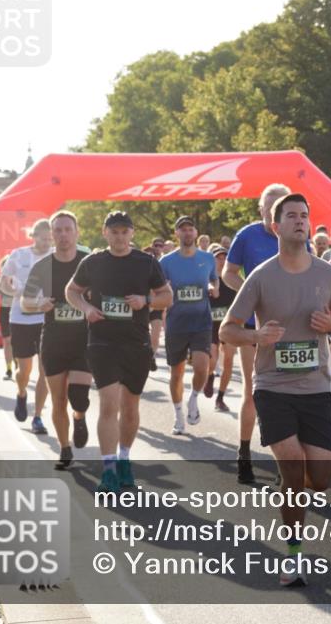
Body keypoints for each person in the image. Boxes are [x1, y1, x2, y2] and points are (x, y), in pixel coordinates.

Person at [219, 193, 331, 588]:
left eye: (305, 216)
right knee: (293, 467)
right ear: (275, 226)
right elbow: (227, 329)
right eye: (291, 215)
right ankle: (293, 556)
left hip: (316, 387)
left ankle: (291, 488)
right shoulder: (260, 276)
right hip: (273, 386)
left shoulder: (327, 274)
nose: (300, 221)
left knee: (320, 479)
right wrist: (257, 335)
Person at [66, 211, 172, 493]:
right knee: (108, 404)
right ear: (105, 233)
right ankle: (109, 468)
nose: (120, 237)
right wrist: (87, 308)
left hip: (136, 343)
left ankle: (124, 459)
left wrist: (146, 300)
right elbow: (71, 291)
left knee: (130, 406)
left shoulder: (146, 262)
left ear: (132, 234)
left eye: (125, 232)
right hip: (102, 342)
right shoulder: (93, 262)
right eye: (114, 231)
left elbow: (167, 296)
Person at [223, 183, 292, 484]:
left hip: (289, 326)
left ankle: (284, 461)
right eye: (271, 206)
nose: (275, 212)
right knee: (254, 390)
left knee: (286, 393)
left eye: (282, 207)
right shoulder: (247, 236)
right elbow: (228, 272)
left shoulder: (296, 235)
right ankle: (244, 453)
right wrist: (251, 295)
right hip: (252, 325)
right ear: (262, 209)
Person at [21, 211, 92, 469]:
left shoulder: (88, 263)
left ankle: (80, 416)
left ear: (76, 232)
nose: (63, 235)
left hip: (83, 339)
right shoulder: (43, 266)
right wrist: (38, 304)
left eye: (67, 229)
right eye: (58, 230)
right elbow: (24, 301)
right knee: (58, 398)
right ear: (51, 235)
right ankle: (64, 449)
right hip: (53, 340)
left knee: (79, 396)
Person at [160, 216, 218, 435]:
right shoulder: (166, 261)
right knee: (177, 373)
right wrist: (165, 290)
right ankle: (178, 415)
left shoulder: (208, 258)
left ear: (195, 233)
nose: (187, 233)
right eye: (182, 229)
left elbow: (214, 279)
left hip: (201, 321)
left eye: (190, 229)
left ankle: (193, 399)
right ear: (177, 234)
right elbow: (158, 287)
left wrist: (213, 286)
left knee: (203, 366)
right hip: (176, 323)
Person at [0, 219, 54, 433]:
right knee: (24, 370)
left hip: (46, 318)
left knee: (45, 370)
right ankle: (22, 393)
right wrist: (15, 292)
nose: (47, 242)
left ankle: (38, 417)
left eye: (50, 238)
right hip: (21, 318)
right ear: (34, 235)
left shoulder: (55, 256)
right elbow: (2, 281)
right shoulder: (19, 255)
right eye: (43, 237)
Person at [206, 244, 236, 412]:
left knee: (229, 361)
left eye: (225, 257)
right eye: (218, 257)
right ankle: (210, 376)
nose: (222, 260)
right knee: (212, 359)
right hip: (210, 325)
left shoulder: (231, 279)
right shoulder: (207, 279)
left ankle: (221, 397)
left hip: (228, 325)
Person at [148, 238, 165, 372]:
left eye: (161, 245)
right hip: (141, 305)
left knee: (155, 335)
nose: (158, 247)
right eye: (156, 245)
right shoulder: (140, 263)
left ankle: (151, 357)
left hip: (156, 305)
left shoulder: (162, 265)